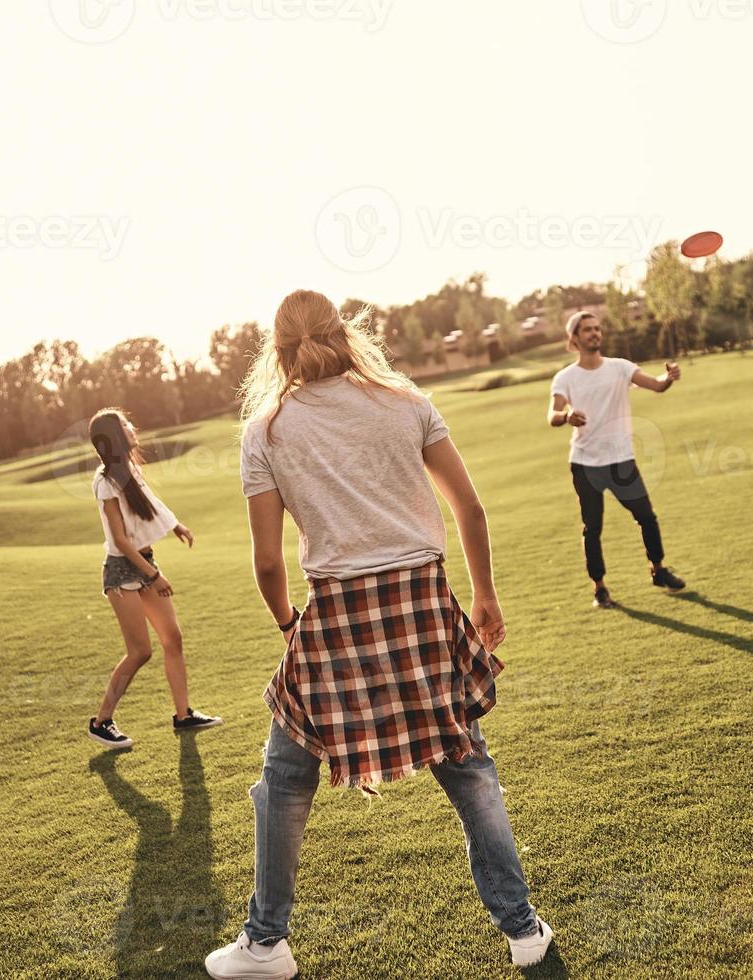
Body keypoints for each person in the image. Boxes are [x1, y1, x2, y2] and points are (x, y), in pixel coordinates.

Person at [204, 290, 552, 979]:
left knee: (284, 779)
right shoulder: (404, 400)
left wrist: (287, 627)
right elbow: (470, 509)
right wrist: (482, 594)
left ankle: (266, 944)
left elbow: (269, 561)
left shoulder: (266, 431)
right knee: (468, 766)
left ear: (276, 353)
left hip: (335, 613)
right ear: (345, 334)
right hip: (422, 602)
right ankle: (522, 931)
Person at [86, 408, 221, 749]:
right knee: (140, 651)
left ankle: (183, 715)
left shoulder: (130, 470)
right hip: (123, 571)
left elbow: (150, 503)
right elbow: (119, 540)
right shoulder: (105, 482)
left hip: (145, 563)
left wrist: (175, 525)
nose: (133, 427)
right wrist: (154, 575)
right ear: (115, 436)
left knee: (172, 638)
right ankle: (101, 722)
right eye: (125, 424)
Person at [548, 310, 686, 609]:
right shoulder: (566, 378)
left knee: (647, 517)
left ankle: (659, 570)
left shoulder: (620, 368)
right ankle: (599, 588)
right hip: (585, 463)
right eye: (587, 330)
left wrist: (669, 377)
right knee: (592, 527)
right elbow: (553, 415)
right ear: (575, 338)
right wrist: (567, 415)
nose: (595, 333)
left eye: (597, 328)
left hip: (621, 460)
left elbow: (657, 385)